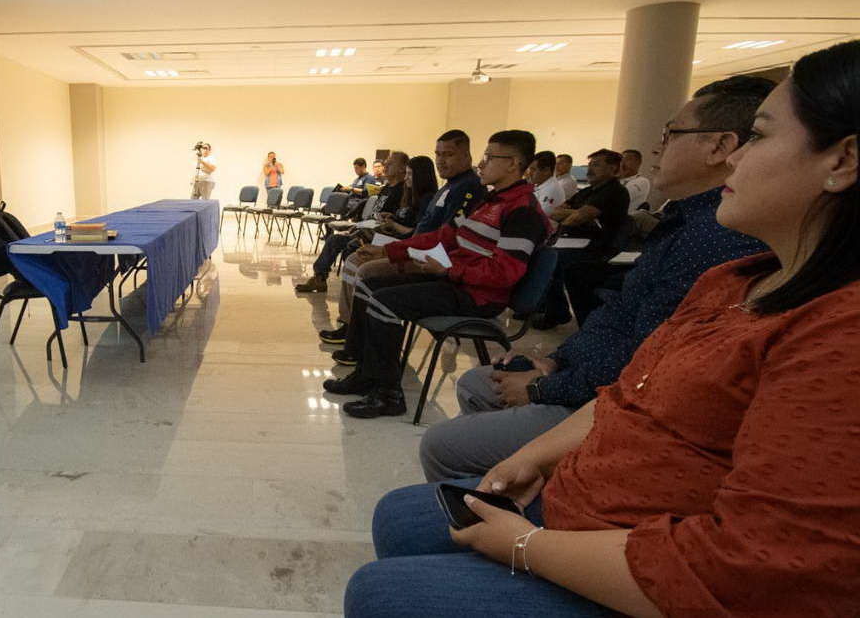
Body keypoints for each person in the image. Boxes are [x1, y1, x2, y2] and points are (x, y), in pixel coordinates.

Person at [345, 40, 860, 618]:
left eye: (759, 137)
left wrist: (525, 545)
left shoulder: (837, 338)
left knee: (379, 591)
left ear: (842, 161)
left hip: (645, 549)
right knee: (399, 515)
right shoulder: (734, 279)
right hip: (587, 492)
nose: (737, 160)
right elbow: (628, 386)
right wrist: (536, 454)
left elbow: (750, 571)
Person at [419, 75, 774, 483]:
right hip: (589, 374)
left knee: (442, 445)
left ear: (720, 147)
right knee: (477, 383)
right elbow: (618, 316)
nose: (656, 147)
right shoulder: (686, 222)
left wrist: (542, 387)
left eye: (670, 134)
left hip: (614, 401)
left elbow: (649, 360)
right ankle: (504, 484)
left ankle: (500, 498)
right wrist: (555, 360)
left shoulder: (717, 237)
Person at [323, 131, 549, 419]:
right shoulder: (490, 201)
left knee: (384, 302)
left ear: (513, 163)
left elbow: (504, 274)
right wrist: (388, 251)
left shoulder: (523, 210)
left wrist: (449, 270)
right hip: (456, 280)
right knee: (369, 285)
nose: (482, 163)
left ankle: (388, 394)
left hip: (478, 296)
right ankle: (366, 374)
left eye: (490, 157)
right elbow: (444, 236)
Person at [317, 130, 484, 345]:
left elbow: (445, 237)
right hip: (415, 247)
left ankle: (357, 336)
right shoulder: (450, 185)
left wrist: (391, 250)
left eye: (448, 154)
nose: (441, 160)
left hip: (430, 258)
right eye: (438, 154)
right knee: (353, 258)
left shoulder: (467, 187)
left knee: (363, 269)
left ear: (467, 156)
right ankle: (350, 326)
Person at [535, 149, 631, 329]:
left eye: (596, 165)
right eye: (590, 165)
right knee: (545, 255)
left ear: (613, 169)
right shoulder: (587, 192)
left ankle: (564, 314)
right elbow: (556, 212)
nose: (590, 169)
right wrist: (578, 213)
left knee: (553, 260)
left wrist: (577, 214)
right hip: (575, 242)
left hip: (599, 248)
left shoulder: (614, 191)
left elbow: (575, 219)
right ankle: (556, 310)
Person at [296, 152, 409, 293]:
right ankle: (319, 278)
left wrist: (374, 227)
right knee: (334, 239)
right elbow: (375, 214)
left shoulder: (404, 191)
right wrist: (359, 228)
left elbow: (396, 220)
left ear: (402, 168)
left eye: (390, 163)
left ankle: (354, 287)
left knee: (348, 246)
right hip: (369, 230)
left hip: (381, 236)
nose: (385, 165)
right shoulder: (386, 188)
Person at [527, 150, 566, 216]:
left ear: (546, 171)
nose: (529, 173)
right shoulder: (540, 185)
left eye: (533, 169)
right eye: (529, 169)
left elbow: (538, 215)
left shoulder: (552, 189)